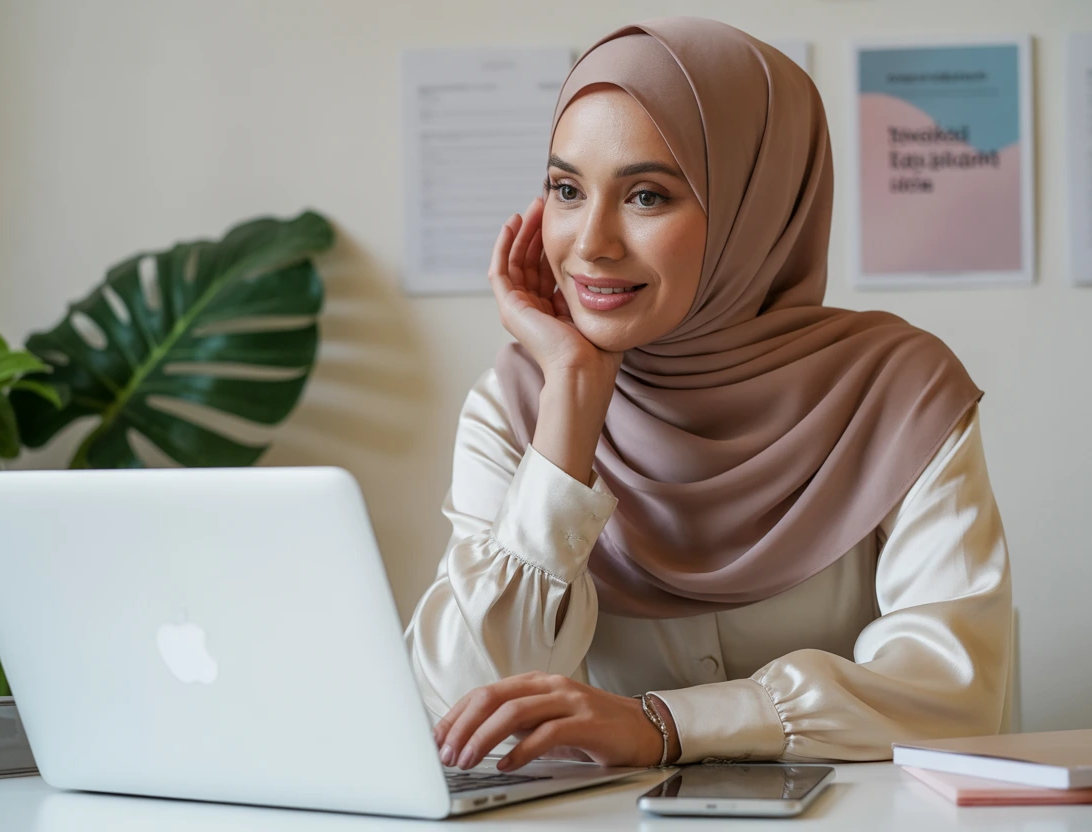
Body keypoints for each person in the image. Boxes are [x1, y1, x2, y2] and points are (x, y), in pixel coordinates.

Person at [404, 17, 1011, 774]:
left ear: (755, 209)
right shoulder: (520, 403)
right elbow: (464, 715)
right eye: (566, 189)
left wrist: (665, 724)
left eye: (648, 195)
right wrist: (567, 416)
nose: (591, 241)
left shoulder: (897, 394)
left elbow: (955, 692)